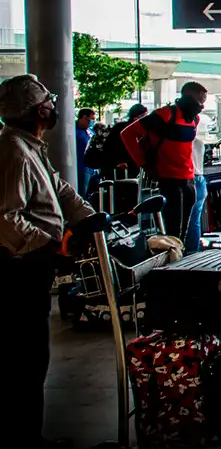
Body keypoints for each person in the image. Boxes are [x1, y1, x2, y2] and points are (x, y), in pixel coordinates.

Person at [0, 75, 95, 447]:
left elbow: (60, 189)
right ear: (39, 109)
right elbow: (6, 218)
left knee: (33, 354)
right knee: (25, 356)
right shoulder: (12, 150)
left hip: (34, 264)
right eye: (49, 102)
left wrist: (89, 219)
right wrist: (52, 246)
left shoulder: (30, 145)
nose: (55, 107)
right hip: (19, 269)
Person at [122, 82, 207, 238]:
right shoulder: (165, 114)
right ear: (188, 97)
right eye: (200, 100)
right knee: (173, 229)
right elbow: (128, 134)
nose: (202, 105)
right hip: (168, 177)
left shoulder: (194, 119)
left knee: (184, 229)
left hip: (189, 178)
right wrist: (143, 163)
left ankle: (179, 250)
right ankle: (172, 251)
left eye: (204, 101)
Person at [101, 103, 147, 178]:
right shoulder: (135, 129)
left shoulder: (118, 126)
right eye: (145, 116)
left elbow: (108, 147)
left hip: (118, 166)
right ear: (139, 116)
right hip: (126, 167)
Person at [185, 119, 208, 254]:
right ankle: (193, 252)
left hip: (189, 181)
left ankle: (185, 253)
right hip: (200, 181)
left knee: (184, 222)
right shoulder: (199, 142)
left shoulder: (183, 142)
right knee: (194, 221)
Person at [75, 107, 97, 192]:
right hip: (81, 168)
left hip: (92, 169)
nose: (93, 122)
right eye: (92, 119)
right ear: (84, 117)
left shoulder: (90, 131)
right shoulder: (72, 131)